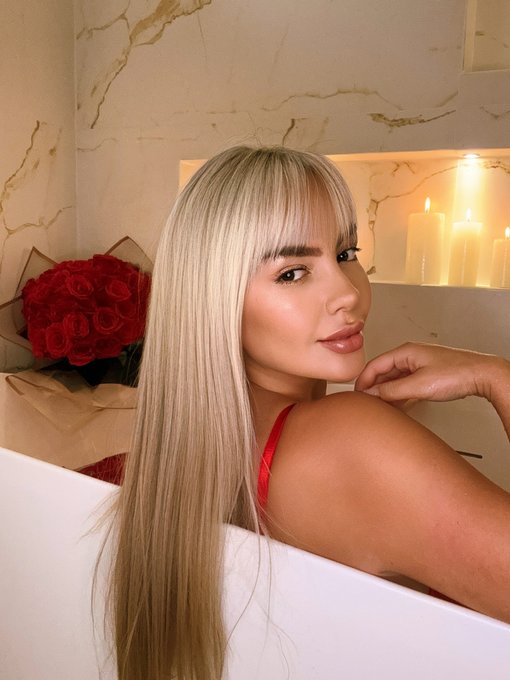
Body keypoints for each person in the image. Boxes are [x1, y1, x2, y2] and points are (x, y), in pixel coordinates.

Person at [109, 146, 510, 680]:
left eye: (345, 253)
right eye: (293, 272)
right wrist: (496, 376)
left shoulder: (187, 455)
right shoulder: (351, 441)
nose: (348, 292)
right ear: (215, 299)